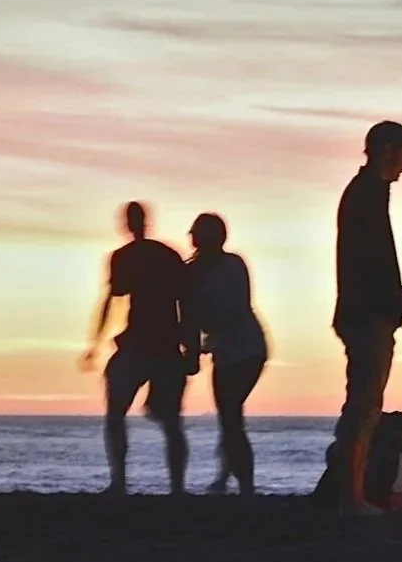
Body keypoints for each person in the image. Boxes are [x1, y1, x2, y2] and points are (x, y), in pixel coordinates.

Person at [333, 121, 402, 516]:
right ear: (388, 151)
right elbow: (374, 268)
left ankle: (353, 494)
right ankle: (352, 498)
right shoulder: (365, 196)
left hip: (368, 311)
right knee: (364, 405)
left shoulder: (369, 194)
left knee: (364, 404)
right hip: (367, 315)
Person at [80, 201, 198, 495]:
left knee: (160, 419)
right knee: (150, 419)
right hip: (148, 343)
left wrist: (192, 347)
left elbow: (185, 303)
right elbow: (114, 299)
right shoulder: (156, 255)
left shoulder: (138, 256)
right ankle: (139, 483)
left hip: (155, 344)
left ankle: (144, 484)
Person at [185, 212, 269, 496]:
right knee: (230, 416)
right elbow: (192, 317)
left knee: (231, 416)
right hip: (229, 349)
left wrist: (200, 347)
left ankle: (243, 484)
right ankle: (227, 477)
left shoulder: (231, 265)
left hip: (245, 349)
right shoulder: (194, 271)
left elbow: (237, 307)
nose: (191, 238)